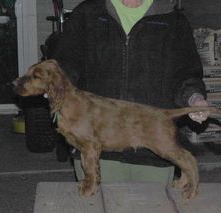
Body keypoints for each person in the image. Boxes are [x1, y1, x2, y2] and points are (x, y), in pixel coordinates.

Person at [52, 0, 208, 184]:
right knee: (95, 210)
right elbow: (66, 65)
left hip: (153, 152)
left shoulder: (173, 21)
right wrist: (55, 87)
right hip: (96, 150)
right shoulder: (87, 13)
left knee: (156, 211)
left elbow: (187, 73)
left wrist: (194, 97)